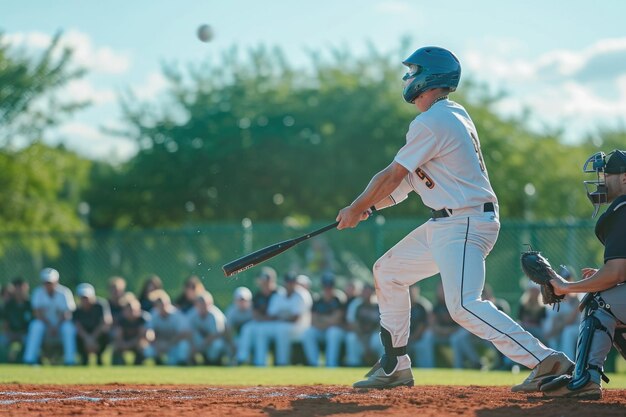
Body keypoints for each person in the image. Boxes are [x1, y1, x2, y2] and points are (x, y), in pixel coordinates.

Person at [335, 46, 573, 389]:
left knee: (462, 305)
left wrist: (356, 206)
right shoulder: (448, 116)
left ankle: (544, 360)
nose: (408, 78)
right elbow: (402, 187)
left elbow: (390, 175)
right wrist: (367, 209)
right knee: (387, 271)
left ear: (429, 78)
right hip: (448, 223)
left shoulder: (433, 121)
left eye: (413, 72)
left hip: (463, 221)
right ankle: (395, 364)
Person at [541, 149, 626, 399]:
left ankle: (586, 379)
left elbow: (616, 273)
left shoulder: (622, 209)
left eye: (605, 175)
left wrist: (567, 287)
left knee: (599, 300)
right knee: (611, 299)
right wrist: (603, 276)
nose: (600, 181)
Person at [254, 273, 312, 366]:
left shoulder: (302, 295)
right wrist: (282, 318)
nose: (290, 284)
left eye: (292, 282)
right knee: (262, 329)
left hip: (301, 328)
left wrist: (280, 317)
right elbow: (271, 315)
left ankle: (282, 362)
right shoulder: (279, 295)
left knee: (282, 330)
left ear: (295, 283)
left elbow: (295, 319)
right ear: (284, 283)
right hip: (281, 325)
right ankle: (260, 363)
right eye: (288, 282)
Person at [23, 268, 77, 365]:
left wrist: (56, 326)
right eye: (46, 282)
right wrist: (49, 326)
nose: (48, 285)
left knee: (68, 328)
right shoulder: (38, 292)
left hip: (60, 326)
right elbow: (37, 313)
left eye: (50, 282)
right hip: (45, 326)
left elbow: (67, 313)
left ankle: (70, 360)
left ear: (57, 281)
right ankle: (29, 359)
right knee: (35, 326)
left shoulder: (65, 292)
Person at [235, 267, 281, 365]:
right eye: (263, 281)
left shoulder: (278, 293)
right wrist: (264, 319)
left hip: (277, 324)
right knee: (247, 328)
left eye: (268, 280)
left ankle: (261, 362)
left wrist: (265, 318)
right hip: (262, 323)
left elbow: (277, 315)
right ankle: (242, 358)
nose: (265, 283)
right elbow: (255, 314)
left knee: (261, 332)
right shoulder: (258, 295)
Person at [302, 273, 346, 367]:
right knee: (308, 333)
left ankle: (330, 364)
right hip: (321, 329)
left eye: (329, 286)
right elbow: (313, 321)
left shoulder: (338, 298)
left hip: (337, 330)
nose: (327, 288)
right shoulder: (317, 299)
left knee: (333, 332)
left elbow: (336, 321)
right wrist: (327, 320)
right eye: (325, 286)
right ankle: (314, 363)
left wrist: (321, 318)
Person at [145, 289, 191, 366]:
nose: (161, 306)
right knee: (147, 351)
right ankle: (157, 361)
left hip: (174, 345)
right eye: (158, 304)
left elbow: (185, 334)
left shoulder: (176, 315)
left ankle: (182, 362)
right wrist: (154, 342)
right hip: (159, 344)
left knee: (183, 346)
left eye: (163, 303)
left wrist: (169, 344)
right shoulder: (154, 314)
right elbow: (149, 331)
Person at [344, 284, 384, 367]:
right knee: (351, 337)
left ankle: (383, 366)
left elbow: (381, 326)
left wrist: (368, 342)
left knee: (381, 338)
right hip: (360, 337)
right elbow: (353, 325)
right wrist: (365, 344)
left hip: (374, 336)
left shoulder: (379, 305)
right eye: (364, 292)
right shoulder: (356, 305)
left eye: (369, 292)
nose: (366, 294)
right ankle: (353, 364)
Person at [72, 283, 112, 365]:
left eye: (87, 297)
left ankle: (99, 357)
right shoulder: (77, 310)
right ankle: (84, 358)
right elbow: (78, 327)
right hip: (85, 336)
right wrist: (87, 339)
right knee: (75, 336)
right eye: (83, 298)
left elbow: (106, 322)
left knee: (106, 333)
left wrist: (93, 338)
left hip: (98, 334)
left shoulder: (101, 305)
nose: (85, 300)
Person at [187, 291, 227, 365]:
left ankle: (214, 361)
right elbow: (188, 332)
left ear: (210, 304)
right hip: (200, 341)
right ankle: (191, 361)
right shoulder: (192, 314)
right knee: (185, 344)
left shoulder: (215, 315)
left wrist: (200, 346)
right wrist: (192, 346)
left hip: (213, 342)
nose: (202, 306)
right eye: (199, 303)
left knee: (217, 345)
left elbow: (216, 335)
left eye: (204, 303)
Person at [111, 294, 151, 365]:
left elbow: (143, 337)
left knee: (142, 346)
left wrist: (130, 344)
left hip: (137, 343)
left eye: (133, 309)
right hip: (125, 342)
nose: (131, 312)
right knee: (116, 347)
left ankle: (139, 364)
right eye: (128, 309)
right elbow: (118, 337)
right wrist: (124, 344)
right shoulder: (121, 320)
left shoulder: (143, 319)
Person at [1, 278, 32, 363]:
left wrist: (21, 333)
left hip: (25, 334)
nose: (19, 291)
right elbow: (5, 323)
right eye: (16, 288)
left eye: (21, 287)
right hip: (11, 333)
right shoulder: (9, 305)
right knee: (2, 340)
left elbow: (32, 324)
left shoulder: (30, 304)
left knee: (31, 340)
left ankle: (28, 360)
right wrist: (9, 333)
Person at [224, 286, 254, 365]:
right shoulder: (231, 311)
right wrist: (231, 343)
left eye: (244, 300)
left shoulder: (253, 311)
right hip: (237, 338)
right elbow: (228, 329)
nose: (242, 302)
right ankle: (234, 362)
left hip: (252, 340)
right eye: (240, 300)